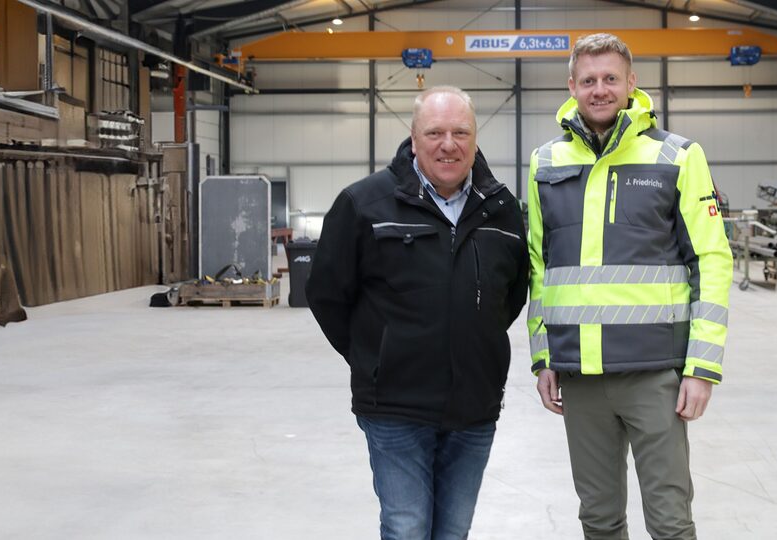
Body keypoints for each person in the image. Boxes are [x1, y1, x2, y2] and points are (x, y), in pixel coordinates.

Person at [526, 33, 733, 539]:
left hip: (655, 374)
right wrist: (544, 358)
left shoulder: (677, 157)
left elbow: (711, 260)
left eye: (611, 79)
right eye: (589, 80)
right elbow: (539, 267)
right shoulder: (545, 163)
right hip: (580, 375)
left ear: (632, 83)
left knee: (669, 519)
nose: (601, 89)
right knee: (598, 518)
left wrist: (702, 367)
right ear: (571, 86)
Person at [306, 85, 529, 540]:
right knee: (406, 528)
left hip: (474, 404)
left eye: (461, 132)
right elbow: (327, 294)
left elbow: (512, 293)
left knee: (454, 530)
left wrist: (473, 338)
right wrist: (377, 354)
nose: (449, 144)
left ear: (475, 138)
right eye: (435, 132)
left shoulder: (502, 208)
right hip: (394, 405)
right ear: (413, 138)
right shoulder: (363, 203)